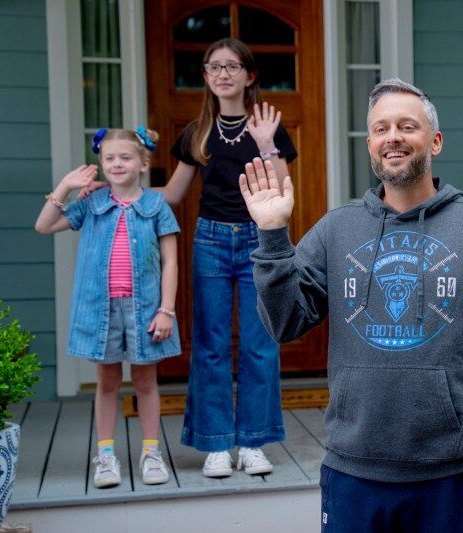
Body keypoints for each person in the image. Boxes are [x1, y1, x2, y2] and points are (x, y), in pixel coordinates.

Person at [239, 78, 463, 532]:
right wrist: (273, 237)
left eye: (407, 126)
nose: (392, 137)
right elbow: (284, 322)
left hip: (454, 473)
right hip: (353, 470)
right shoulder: (337, 229)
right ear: (370, 145)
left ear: (434, 141)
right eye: (380, 129)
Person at [165, 38, 298, 477]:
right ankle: (217, 443)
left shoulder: (269, 128)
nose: (223, 74)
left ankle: (254, 443)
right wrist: (117, 194)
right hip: (212, 242)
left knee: (260, 344)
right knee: (211, 345)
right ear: (205, 77)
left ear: (249, 75)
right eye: (214, 67)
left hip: (261, 241)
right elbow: (172, 195)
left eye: (232, 66)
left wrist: (266, 144)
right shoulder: (197, 132)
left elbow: (282, 190)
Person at [35, 128, 180, 488]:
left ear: (143, 164)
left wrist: (167, 310)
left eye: (126, 157)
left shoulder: (155, 206)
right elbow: (44, 226)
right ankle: (105, 456)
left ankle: (150, 452)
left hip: (145, 309)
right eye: (110, 158)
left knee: (145, 381)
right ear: (101, 164)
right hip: (102, 309)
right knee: (107, 382)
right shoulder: (92, 204)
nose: (117, 164)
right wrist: (66, 186)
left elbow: (170, 261)